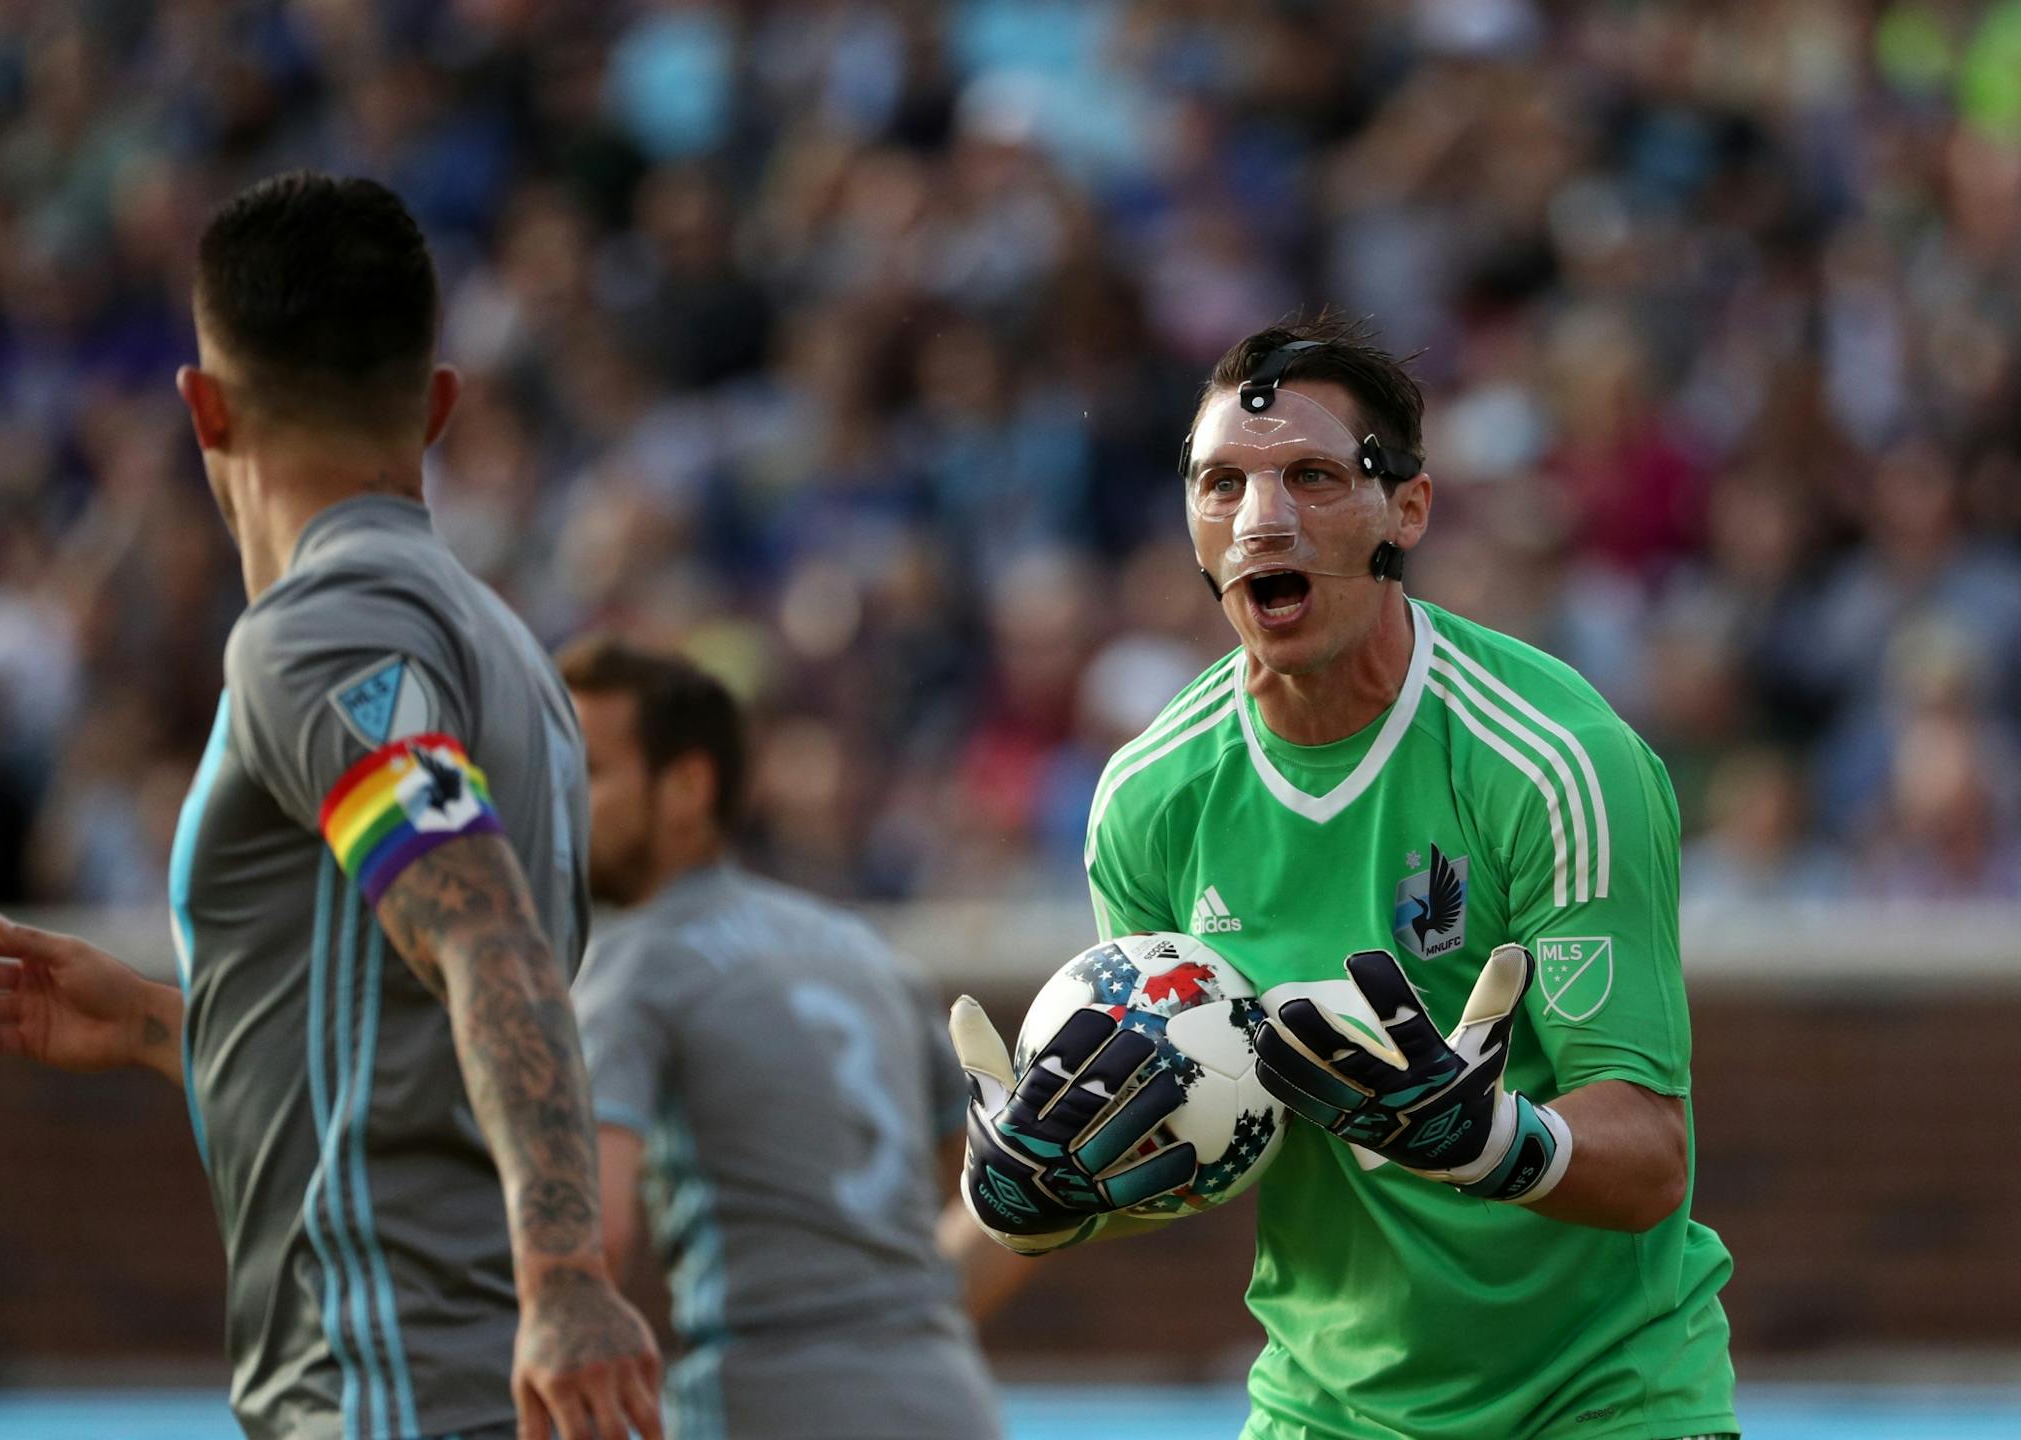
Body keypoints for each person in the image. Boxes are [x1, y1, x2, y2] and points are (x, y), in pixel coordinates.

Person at [0, 172, 660, 1440]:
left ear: (202, 409)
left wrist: (565, 1277)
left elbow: (480, 934)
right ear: (437, 406)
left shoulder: (319, 631)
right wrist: (173, 1030)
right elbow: (427, 1014)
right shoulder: (510, 655)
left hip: (388, 1391)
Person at [950, 315, 1739, 1440]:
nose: (1262, 518)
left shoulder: (1556, 762)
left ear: (1405, 512)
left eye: (1313, 476)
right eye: (1222, 484)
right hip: (1326, 1408)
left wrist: (1487, 1139)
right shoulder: (1149, 799)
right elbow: (1189, 1145)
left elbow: (1651, 1157)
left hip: (1602, 1398)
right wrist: (1045, 1193)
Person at [559, 638, 1019, 1440]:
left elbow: (596, 1231)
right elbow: (1018, 1208)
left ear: (687, 787)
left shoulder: (634, 965)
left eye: (587, 775)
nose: (557, 804)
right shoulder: (872, 956)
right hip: (948, 1397)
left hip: (762, 1394)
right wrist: (903, 1320)